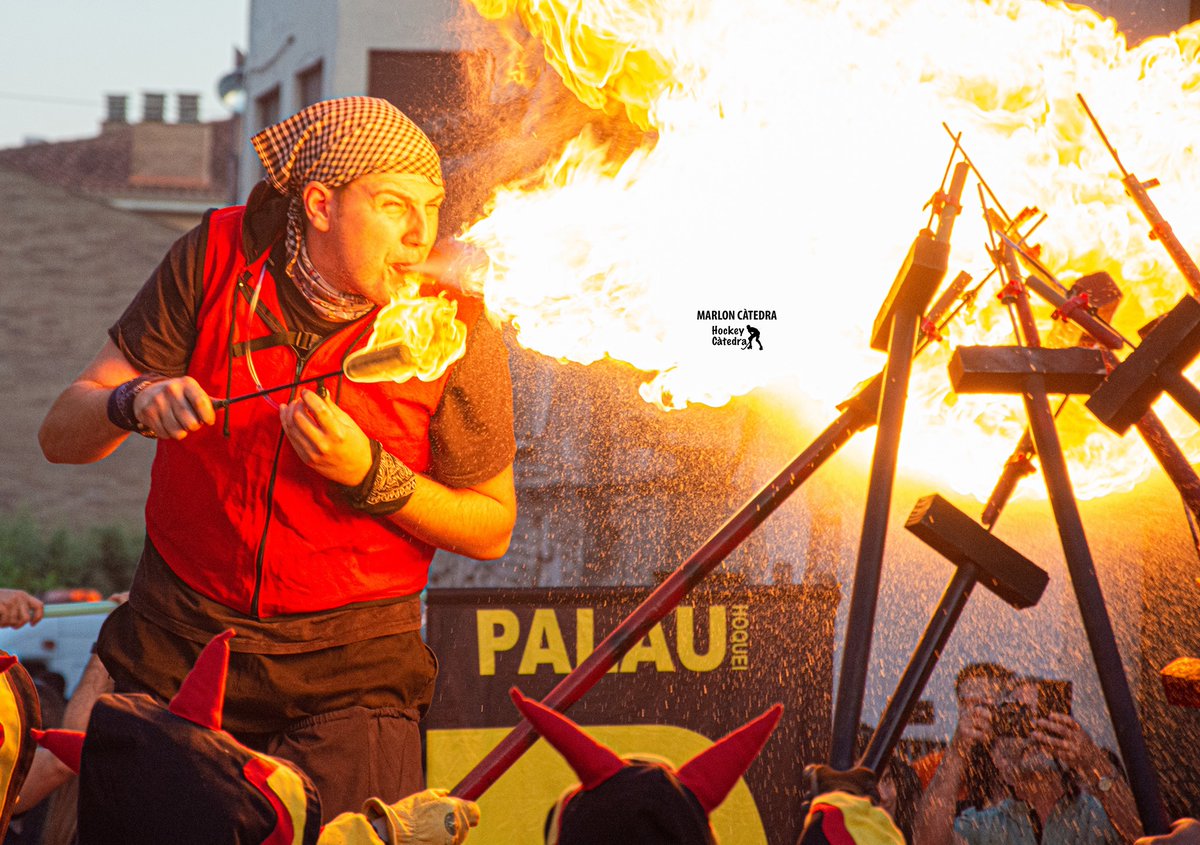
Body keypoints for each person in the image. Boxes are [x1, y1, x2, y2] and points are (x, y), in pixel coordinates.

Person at [38, 96, 517, 821]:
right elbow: (60, 435)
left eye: (432, 205)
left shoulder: (458, 319)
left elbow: (491, 527)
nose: (421, 236)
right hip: (180, 649)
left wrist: (372, 476)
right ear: (321, 204)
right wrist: (132, 402)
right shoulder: (214, 256)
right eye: (394, 206)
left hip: (354, 675)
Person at [913, 675, 1141, 844]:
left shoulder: (1098, 815)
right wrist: (957, 750)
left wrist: (1092, 761)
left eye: (1042, 716)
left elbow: (1150, 836)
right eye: (1019, 718)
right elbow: (927, 842)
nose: (1034, 731)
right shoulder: (988, 826)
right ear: (999, 760)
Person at [911, 662, 1011, 811]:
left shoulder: (1019, 766)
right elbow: (922, 827)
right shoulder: (930, 769)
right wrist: (957, 752)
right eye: (967, 704)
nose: (975, 714)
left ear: (1005, 712)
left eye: (985, 704)